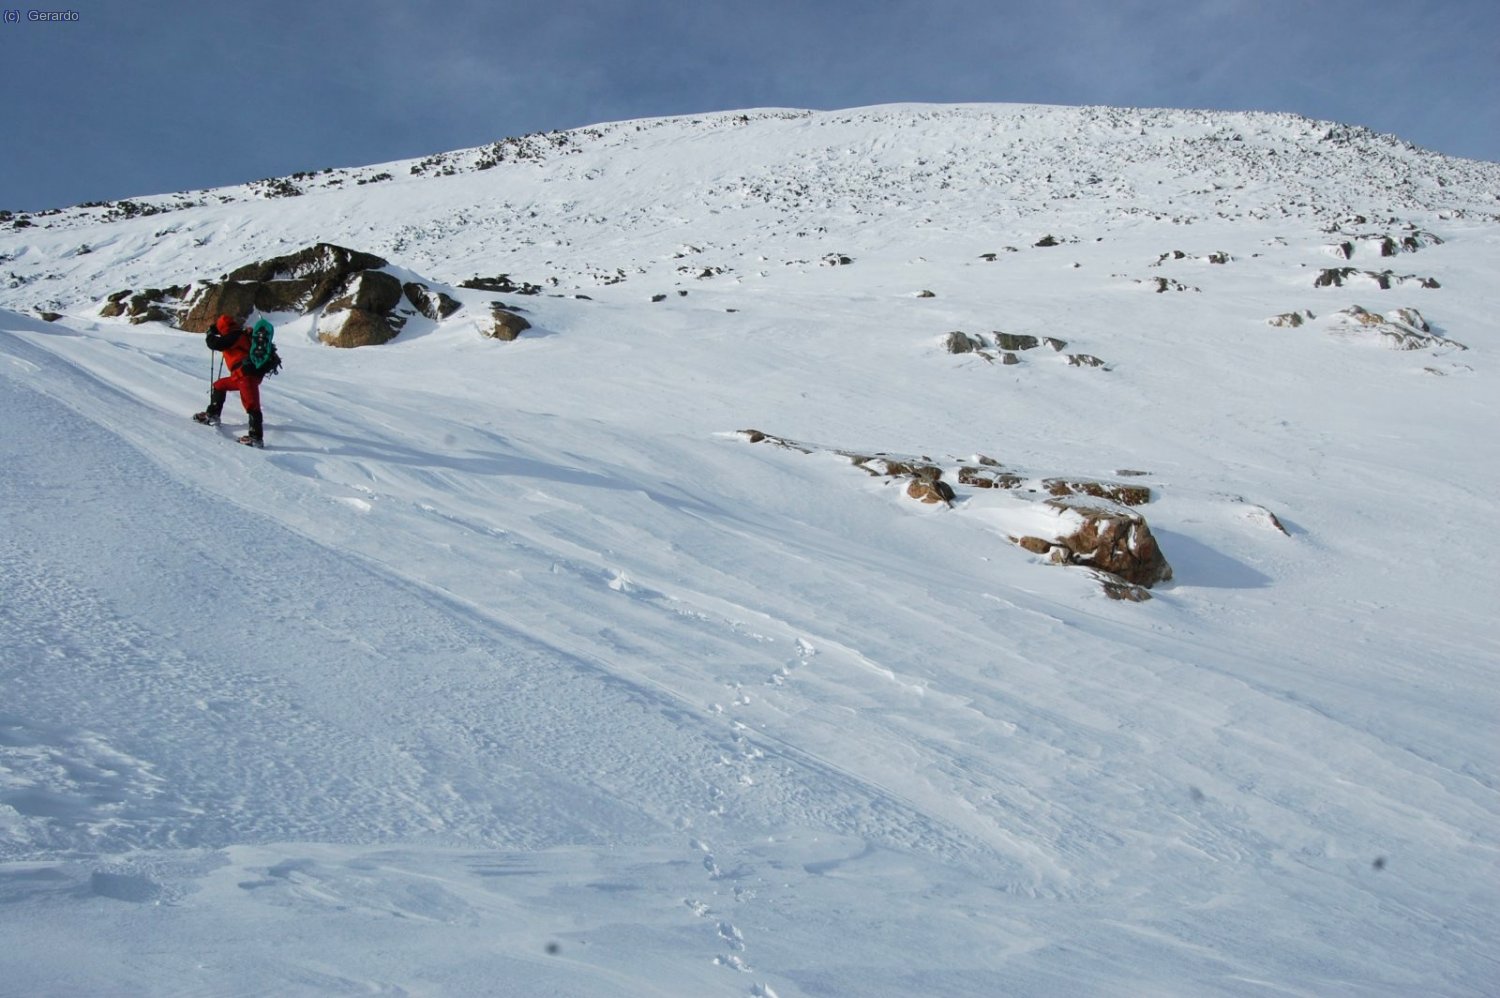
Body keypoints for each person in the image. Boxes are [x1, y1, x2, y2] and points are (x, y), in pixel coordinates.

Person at [193, 313, 266, 447]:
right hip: (240, 375)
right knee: (219, 385)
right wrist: (215, 330)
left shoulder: (235, 336)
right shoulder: (239, 334)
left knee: (251, 404)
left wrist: (210, 334)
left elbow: (216, 344)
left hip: (246, 376)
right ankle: (212, 414)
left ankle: (256, 438)